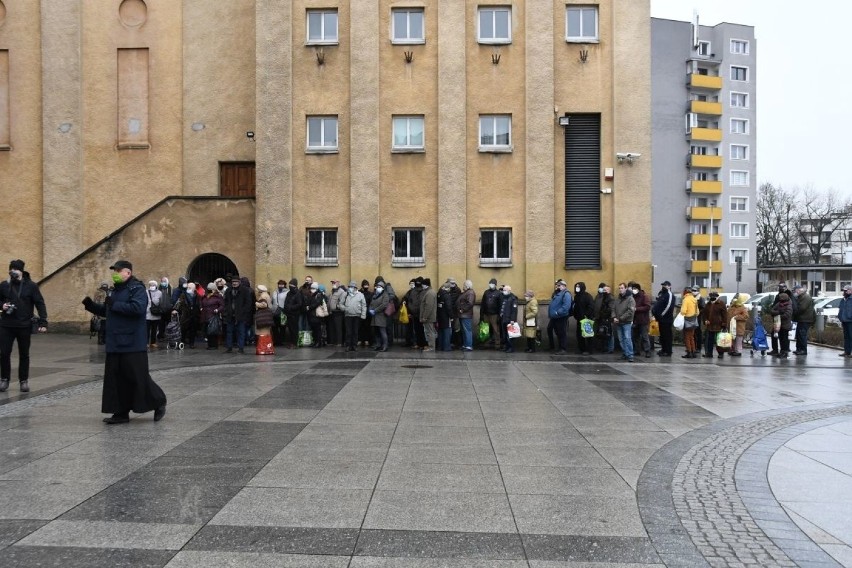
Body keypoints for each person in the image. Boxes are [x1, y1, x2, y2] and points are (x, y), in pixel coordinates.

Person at [82, 260, 166, 424]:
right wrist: (91, 306)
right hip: (115, 343)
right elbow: (109, 311)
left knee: (138, 377)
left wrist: (115, 304)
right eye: (114, 270)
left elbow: (138, 309)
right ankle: (120, 413)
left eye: (118, 270)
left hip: (132, 342)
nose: (115, 273)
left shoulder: (137, 289)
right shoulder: (114, 291)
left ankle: (159, 401)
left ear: (128, 273)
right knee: (116, 379)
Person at [1, 259, 48, 393]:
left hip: (24, 325)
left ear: (21, 271)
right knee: (4, 353)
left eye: (15, 269)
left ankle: (24, 381)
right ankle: (4, 379)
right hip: (6, 325)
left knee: (24, 354)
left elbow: (40, 303)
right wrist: (2, 306)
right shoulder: (4, 285)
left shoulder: (31, 286)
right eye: (11, 269)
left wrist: (43, 322)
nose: (12, 272)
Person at [223, 275, 253, 353]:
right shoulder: (228, 290)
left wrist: (244, 311)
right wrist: (227, 309)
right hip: (230, 314)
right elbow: (225, 301)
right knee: (229, 331)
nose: (234, 283)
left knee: (241, 331)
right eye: (233, 282)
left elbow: (248, 302)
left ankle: (241, 348)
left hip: (241, 315)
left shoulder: (245, 290)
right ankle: (229, 347)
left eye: (236, 282)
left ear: (239, 282)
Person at [651, 280, 676, 357]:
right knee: (662, 335)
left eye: (665, 285)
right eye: (663, 285)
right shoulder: (662, 294)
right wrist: (654, 313)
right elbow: (658, 304)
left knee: (667, 335)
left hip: (666, 319)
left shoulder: (670, 295)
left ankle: (668, 351)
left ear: (669, 286)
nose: (663, 287)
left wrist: (661, 315)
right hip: (660, 318)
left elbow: (668, 306)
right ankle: (663, 349)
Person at [172, 282, 200, 348]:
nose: (188, 288)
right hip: (185, 314)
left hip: (194, 314)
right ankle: (182, 342)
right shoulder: (183, 294)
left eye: (190, 287)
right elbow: (179, 302)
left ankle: (191, 344)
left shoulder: (196, 295)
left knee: (193, 330)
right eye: (188, 287)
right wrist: (175, 309)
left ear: (194, 289)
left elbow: (198, 303)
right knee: (183, 329)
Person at [613, 282, 636, 362]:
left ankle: (630, 355)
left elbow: (630, 311)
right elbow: (613, 308)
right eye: (619, 288)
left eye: (622, 288)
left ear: (626, 288)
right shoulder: (618, 299)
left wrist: (621, 318)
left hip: (626, 322)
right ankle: (625, 353)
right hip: (618, 322)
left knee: (627, 338)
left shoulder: (630, 299)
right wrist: (614, 317)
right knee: (621, 339)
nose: (620, 289)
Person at [548, 279, 572, 354]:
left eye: (559, 285)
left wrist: (558, 312)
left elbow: (566, 306)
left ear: (564, 286)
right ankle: (559, 348)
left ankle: (563, 348)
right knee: (557, 331)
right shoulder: (558, 293)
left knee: (562, 332)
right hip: (555, 316)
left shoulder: (566, 294)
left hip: (561, 316)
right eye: (557, 285)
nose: (558, 287)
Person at [342, 280, 367, 351]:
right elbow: (340, 304)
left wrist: (363, 315)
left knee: (355, 331)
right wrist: (345, 308)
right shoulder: (345, 294)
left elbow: (364, 305)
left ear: (355, 288)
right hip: (348, 315)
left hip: (357, 316)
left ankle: (354, 345)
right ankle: (348, 345)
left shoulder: (360, 295)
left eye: (352, 287)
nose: (350, 288)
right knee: (348, 331)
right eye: (349, 287)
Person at [629, 281, 651, 358]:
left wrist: (636, 309)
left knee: (645, 336)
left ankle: (647, 351)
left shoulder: (644, 296)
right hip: (635, 320)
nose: (633, 290)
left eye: (634, 289)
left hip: (643, 320)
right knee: (636, 337)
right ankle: (637, 350)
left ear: (638, 289)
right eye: (633, 289)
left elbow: (647, 307)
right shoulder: (633, 297)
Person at [703, 291, 729, 358]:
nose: (712, 299)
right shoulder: (708, 304)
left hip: (719, 325)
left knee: (719, 340)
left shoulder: (721, 304)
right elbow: (704, 314)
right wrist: (705, 320)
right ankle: (709, 353)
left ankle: (720, 353)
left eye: (713, 297)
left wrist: (724, 324)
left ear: (717, 297)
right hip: (710, 325)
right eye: (711, 297)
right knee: (710, 340)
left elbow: (725, 315)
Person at [792, 284, 815, 356]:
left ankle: (803, 350)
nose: (794, 293)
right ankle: (799, 349)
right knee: (799, 334)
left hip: (805, 319)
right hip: (801, 319)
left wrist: (795, 311)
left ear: (799, 290)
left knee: (802, 334)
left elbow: (802, 308)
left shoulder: (806, 297)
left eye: (795, 291)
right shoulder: (801, 297)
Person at [572, 282, 594, 355]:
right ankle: (581, 349)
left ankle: (589, 350)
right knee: (579, 335)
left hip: (586, 318)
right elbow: (575, 306)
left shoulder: (588, 296)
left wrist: (586, 314)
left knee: (587, 335)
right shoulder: (576, 296)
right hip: (579, 318)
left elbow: (591, 306)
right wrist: (575, 314)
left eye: (578, 286)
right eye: (576, 286)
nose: (577, 288)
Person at [480, 278, 502, 349]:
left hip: (494, 314)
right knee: (485, 329)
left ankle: (497, 344)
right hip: (486, 313)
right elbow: (482, 303)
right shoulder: (486, 292)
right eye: (490, 283)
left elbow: (500, 305)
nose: (491, 285)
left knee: (496, 330)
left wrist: (499, 315)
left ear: (495, 285)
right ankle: (485, 343)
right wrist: (481, 314)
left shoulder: (498, 293)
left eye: (492, 284)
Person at [770, 291, 793, 358]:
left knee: (784, 339)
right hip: (778, 324)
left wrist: (778, 316)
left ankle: (784, 352)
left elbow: (787, 315)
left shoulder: (789, 305)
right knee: (778, 337)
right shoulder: (779, 304)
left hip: (785, 325)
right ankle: (777, 350)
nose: (780, 300)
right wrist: (779, 312)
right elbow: (772, 310)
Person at [200, 282, 224, 350]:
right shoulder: (205, 296)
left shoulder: (218, 296)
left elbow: (222, 305)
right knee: (207, 331)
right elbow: (201, 302)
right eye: (208, 289)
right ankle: (210, 345)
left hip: (213, 315)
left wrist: (217, 310)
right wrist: (201, 307)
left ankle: (214, 345)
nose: (209, 290)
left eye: (210, 289)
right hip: (205, 315)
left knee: (213, 330)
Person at [592, 283, 614, 353]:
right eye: (602, 288)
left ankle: (610, 349)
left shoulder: (610, 297)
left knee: (609, 333)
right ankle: (602, 347)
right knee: (602, 333)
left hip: (607, 318)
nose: (604, 290)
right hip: (599, 317)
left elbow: (610, 308)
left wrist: (604, 314)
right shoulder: (598, 296)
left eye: (605, 289)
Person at [369, 280, 390, 351]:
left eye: (379, 287)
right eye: (377, 286)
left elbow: (384, 305)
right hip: (374, 316)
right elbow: (371, 303)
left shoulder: (385, 295)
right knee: (376, 332)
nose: (378, 288)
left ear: (383, 288)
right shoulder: (375, 295)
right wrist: (370, 309)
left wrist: (375, 310)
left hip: (381, 316)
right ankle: (378, 345)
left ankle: (385, 346)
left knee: (382, 331)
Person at [283, 278, 303, 348]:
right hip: (288, 314)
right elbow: (286, 301)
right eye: (289, 285)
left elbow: (299, 304)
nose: (290, 286)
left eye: (291, 285)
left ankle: (295, 343)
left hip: (294, 314)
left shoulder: (298, 293)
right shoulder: (289, 293)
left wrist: (291, 307)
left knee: (294, 329)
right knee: (290, 329)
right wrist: (285, 308)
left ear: (295, 286)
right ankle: (291, 342)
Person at [680, 286, 699, 358]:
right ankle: (693, 351)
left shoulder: (686, 299)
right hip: (694, 320)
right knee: (692, 337)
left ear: (685, 292)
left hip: (687, 320)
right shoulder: (694, 299)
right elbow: (697, 312)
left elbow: (683, 311)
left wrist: (682, 315)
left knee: (687, 337)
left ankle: (689, 352)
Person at [499, 285, 519, 353]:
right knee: (505, 334)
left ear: (509, 291)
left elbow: (514, 310)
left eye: (505, 290)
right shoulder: (504, 298)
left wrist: (512, 319)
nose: (503, 291)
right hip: (503, 318)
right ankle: (507, 346)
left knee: (510, 335)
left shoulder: (513, 299)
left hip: (509, 319)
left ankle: (511, 347)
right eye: (503, 290)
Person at [419, 277, 437, 351]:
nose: (422, 286)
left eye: (422, 285)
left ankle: (431, 347)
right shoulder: (430, 292)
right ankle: (430, 345)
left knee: (430, 332)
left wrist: (425, 317)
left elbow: (428, 306)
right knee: (429, 331)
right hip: (429, 317)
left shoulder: (429, 293)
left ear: (425, 285)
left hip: (428, 317)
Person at [457, 280, 476, 351]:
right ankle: (465, 345)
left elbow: (470, 303)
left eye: (464, 285)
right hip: (463, 315)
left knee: (467, 330)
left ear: (467, 286)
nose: (463, 286)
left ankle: (468, 345)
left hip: (466, 315)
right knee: (464, 331)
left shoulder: (470, 293)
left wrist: (462, 309)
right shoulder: (467, 292)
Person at [328, 279, 347, 347]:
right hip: (332, 312)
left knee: (338, 328)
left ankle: (339, 342)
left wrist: (336, 306)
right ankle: (334, 341)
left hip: (338, 312)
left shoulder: (342, 292)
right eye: (332, 283)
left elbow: (342, 302)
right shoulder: (332, 291)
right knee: (333, 328)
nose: (333, 284)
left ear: (338, 283)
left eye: (334, 283)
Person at [307, 282, 327, 347]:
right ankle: (315, 341)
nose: (312, 289)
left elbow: (317, 303)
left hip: (317, 315)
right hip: (312, 315)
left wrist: (309, 307)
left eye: (313, 288)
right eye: (311, 288)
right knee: (313, 329)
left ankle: (318, 342)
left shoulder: (319, 295)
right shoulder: (312, 295)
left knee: (317, 329)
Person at [270, 279, 289, 346]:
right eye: (279, 284)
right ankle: (276, 340)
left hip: (283, 312)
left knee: (282, 327)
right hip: (275, 312)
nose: (280, 286)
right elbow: (272, 301)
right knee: (274, 327)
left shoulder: (287, 292)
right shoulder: (275, 292)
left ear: (284, 285)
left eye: (282, 284)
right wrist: (272, 308)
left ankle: (281, 341)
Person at [145, 280, 163, 349]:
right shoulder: (146, 292)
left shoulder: (159, 293)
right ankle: (146, 342)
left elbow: (161, 302)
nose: (152, 286)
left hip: (156, 314)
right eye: (151, 285)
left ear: (156, 286)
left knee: (154, 329)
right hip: (148, 313)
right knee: (147, 330)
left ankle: (153, 342)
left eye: (153, 285)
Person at [839, 285, 852, 358]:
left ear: (850, 291)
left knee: (851, 336)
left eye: (846, 290)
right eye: (844, 291)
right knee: (846, 337)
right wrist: (840, 317)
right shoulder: (843, 299)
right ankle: (847, 352)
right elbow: (841, 309)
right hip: (844, 321)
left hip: (850, 321)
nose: (844, 292)